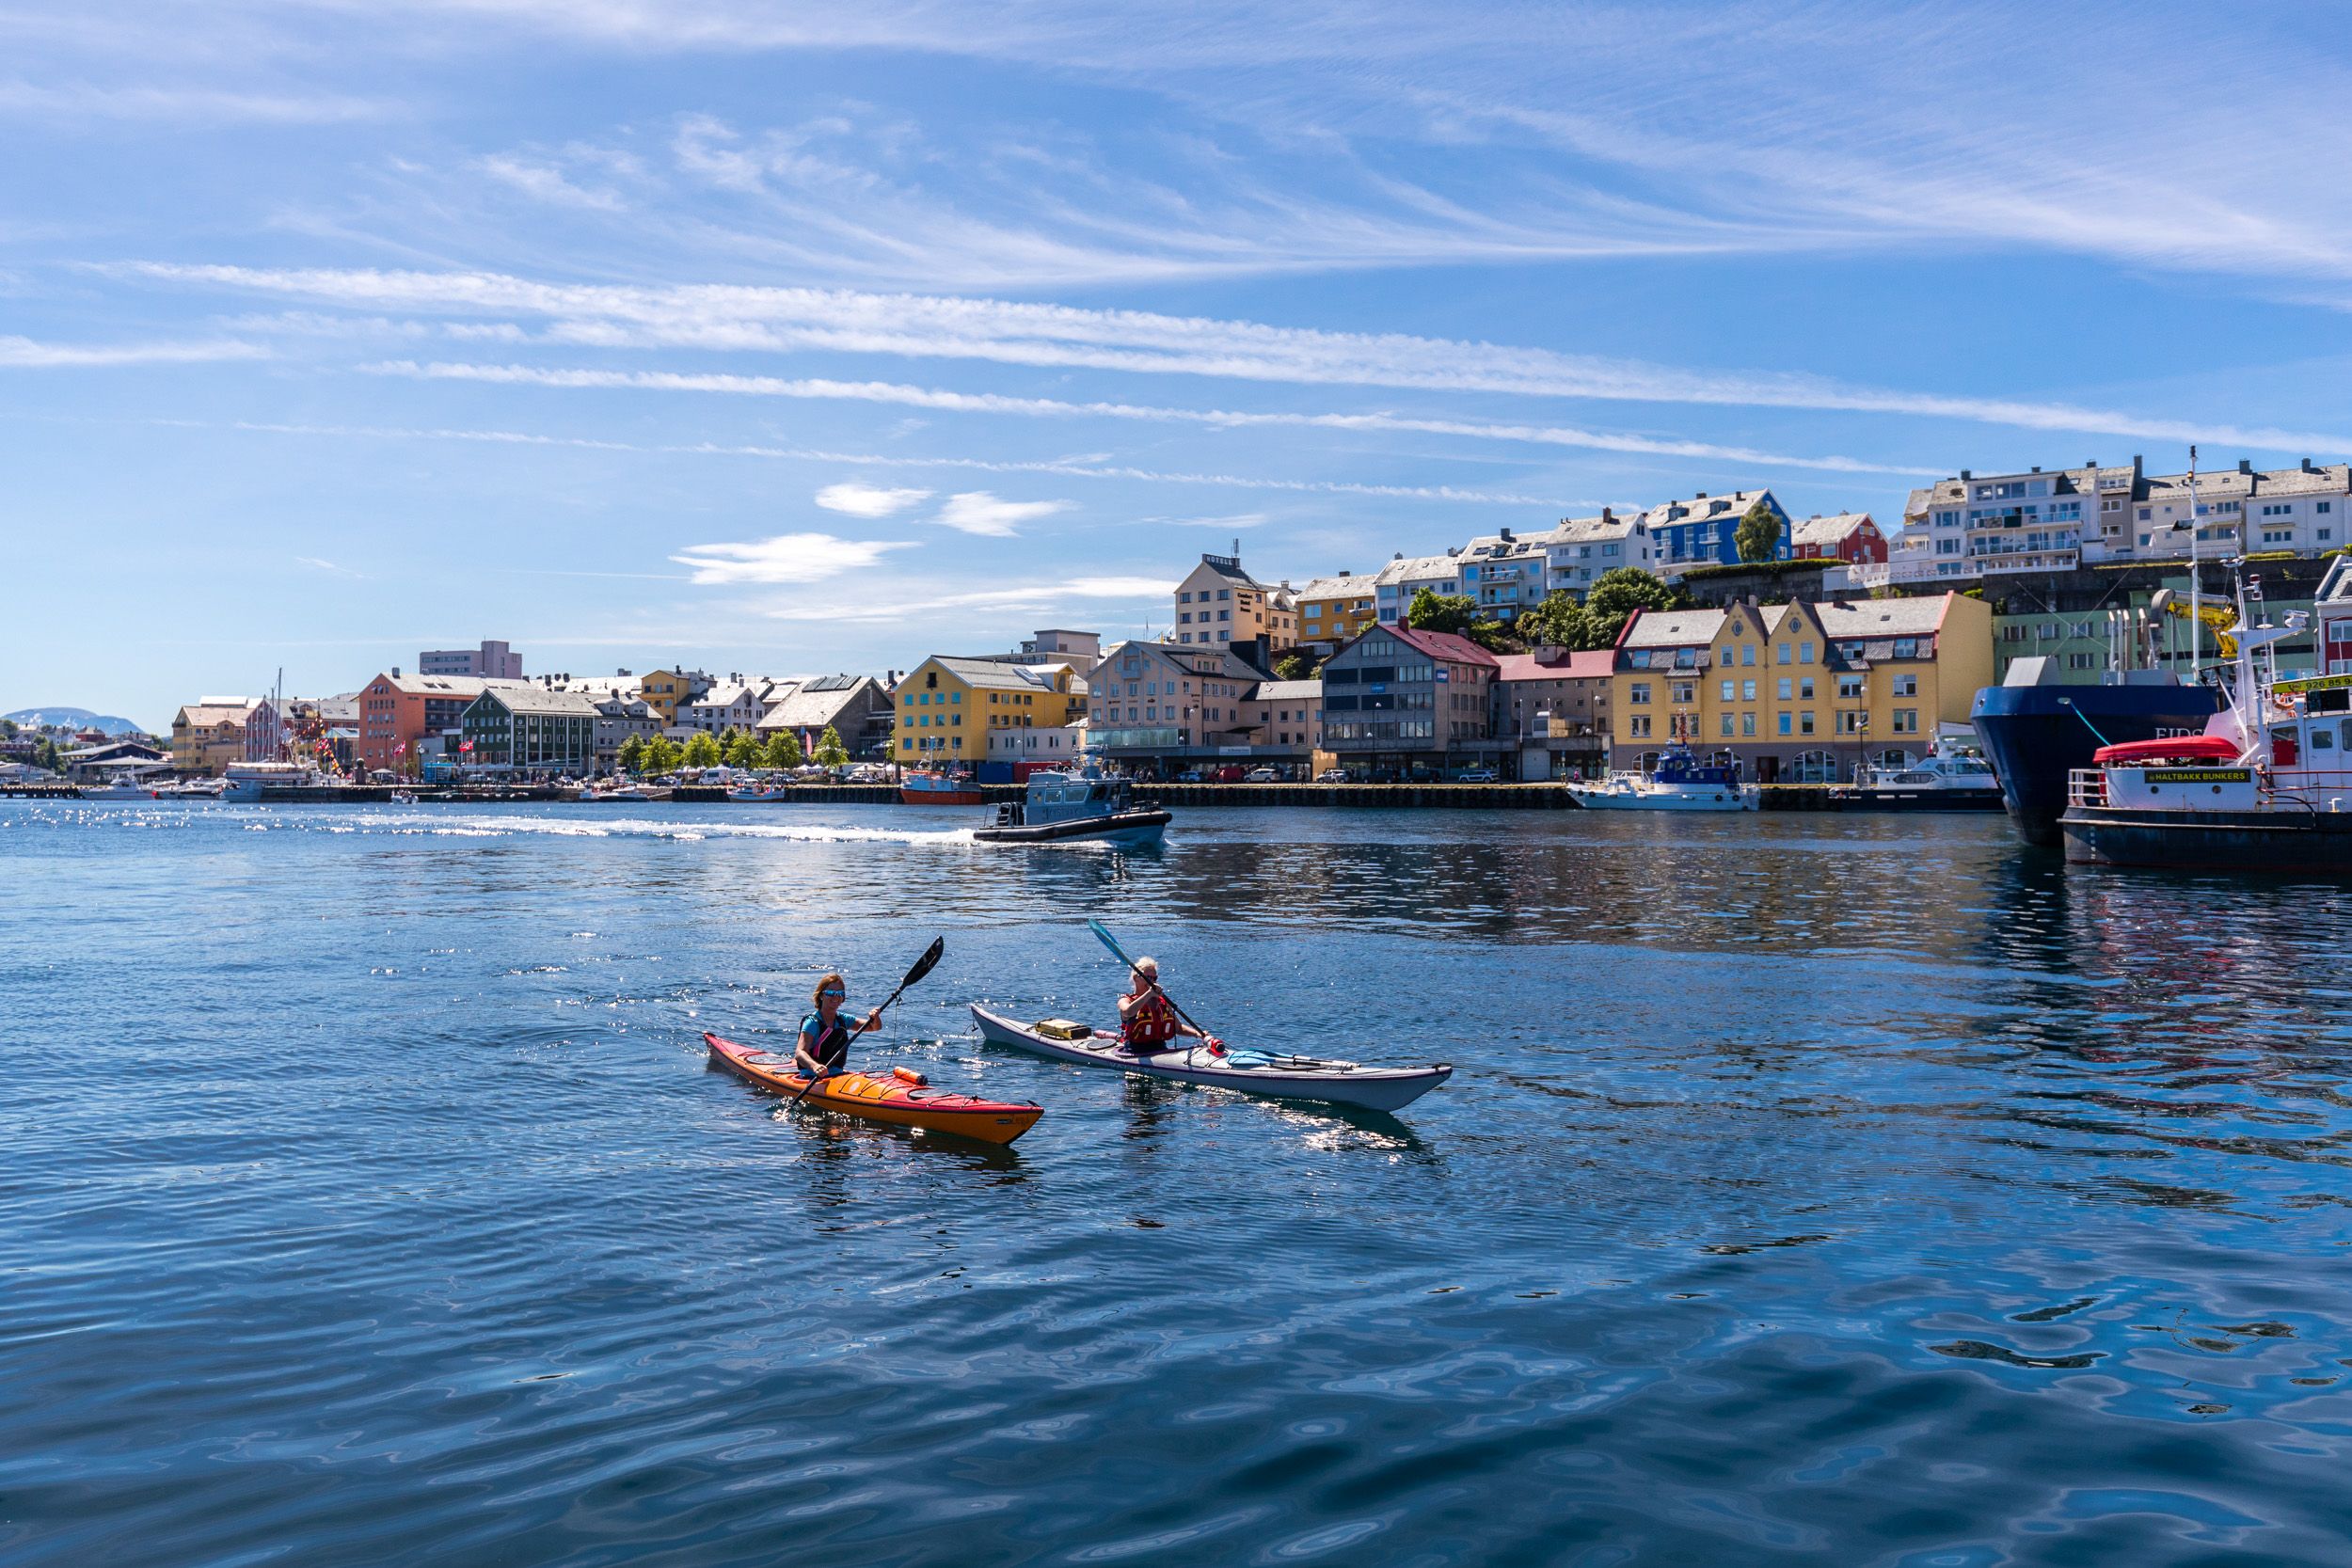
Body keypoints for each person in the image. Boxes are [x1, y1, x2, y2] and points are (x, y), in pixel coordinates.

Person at [1117, 957, 1216, 1053]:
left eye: (1155, 978)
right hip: (1135, 1051)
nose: (1152, 981)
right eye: (1148, 977)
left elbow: (1178, 1028)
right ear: (1136, 978)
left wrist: (1197, 1033)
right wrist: (1149, 994)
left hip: (1161, 1050)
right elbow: (1128, 1012)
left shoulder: (1162, 1002)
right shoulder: (1125, 1000)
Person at [795, 972, 882, 1081]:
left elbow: (875, 1027)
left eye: (840, 993)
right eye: (830, 992)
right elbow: (800, 1052)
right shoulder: (812, 1022)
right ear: (821, 996)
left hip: (837, 1075)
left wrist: (875, 1017)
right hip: (812, 1076)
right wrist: (815, 1066)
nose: (835, 996)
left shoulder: (843, 1019)